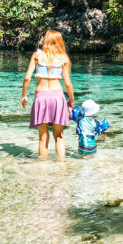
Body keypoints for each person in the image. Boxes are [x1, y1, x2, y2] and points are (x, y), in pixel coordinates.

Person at [20, 30, 75, 161]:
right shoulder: (63, 58)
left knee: (43, 137)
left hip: (41, 97)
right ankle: (62, 164)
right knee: (59, 135)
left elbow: (27, 78)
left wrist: (24, 96)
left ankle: (43, 167)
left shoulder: (37, 55)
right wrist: (71, 99)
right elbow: (67, 83)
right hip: (58, 97)